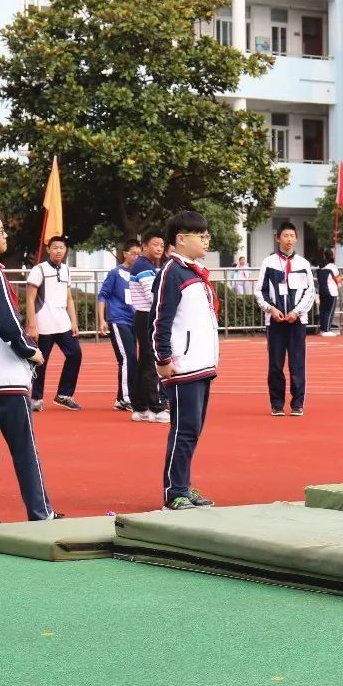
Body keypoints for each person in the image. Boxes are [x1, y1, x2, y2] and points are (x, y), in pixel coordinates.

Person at [0, 206, 62, 524]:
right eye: (0, 231)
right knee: (25, 451)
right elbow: (9, 326)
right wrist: (31, 352)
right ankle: (41, 513)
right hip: (6, 378)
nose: (5, 235)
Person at [153, 211, 219, 511]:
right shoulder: (172, 272)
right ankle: (173, 492)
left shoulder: (196, 272)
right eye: (200, 235)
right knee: (184, 429)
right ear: (181, 239)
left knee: (193, 430)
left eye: (207, 234)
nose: (207, 240)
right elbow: (160, 320)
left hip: (202, 364)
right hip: (182, 366)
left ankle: (182, 484)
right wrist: (163, 358)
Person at [255, 222, 316, 416]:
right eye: (285, 236)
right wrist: (270, 309)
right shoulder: (269, 262)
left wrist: (297, 312)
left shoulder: (303, 264)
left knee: (297, 363)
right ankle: (277, 404)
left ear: (296, 238)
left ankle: (297, 404)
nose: (289, 239)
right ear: (278, 238)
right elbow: (260, 291)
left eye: (292, 235)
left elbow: (310, 292)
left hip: (297, 322)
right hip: (275, 321)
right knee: (275, 363)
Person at [25, 235, 83, 412]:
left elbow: (69, 298)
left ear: (66, 251)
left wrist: (74, 321)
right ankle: (36, 398)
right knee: (41, 361)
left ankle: (64, 395)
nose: (59, 251)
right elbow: (30, 298)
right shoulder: (39, 270)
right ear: (49, 249)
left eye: (62, 248)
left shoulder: (66, 270)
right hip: (43, 323)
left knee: (75, 354)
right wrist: (32, 325)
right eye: (55, 247)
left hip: (62, 323)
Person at [96, 238, 141, 411]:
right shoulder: (115, 273)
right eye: (133, 254)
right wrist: (102, 319)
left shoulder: (138, 274)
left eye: (139, 254)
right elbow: (103, 295)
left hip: (133, 321)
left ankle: (121, 397)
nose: (136, 257)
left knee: (131, 359)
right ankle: (125, 397)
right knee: (127, 357)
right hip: (118, 319)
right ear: (125, 254)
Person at [129, 233, 169, 423]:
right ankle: (155, 408)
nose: (159, 248)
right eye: (155, 244)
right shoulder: (144, 266)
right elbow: (152, 295)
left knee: (144, 361)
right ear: (145, 246)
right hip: (146, 316)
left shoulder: (147, 265)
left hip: (143, 316)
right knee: (150, 362)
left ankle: (140, 407)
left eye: (162, 245)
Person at [317, 248, 341, 336]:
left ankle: (323, 329)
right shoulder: (332, 267)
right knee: (329, 311)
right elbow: (338, 279)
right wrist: (339, 287)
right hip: (331, 291)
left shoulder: (320, 266)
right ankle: (327, 330)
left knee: (323, 310)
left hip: (322, 291)